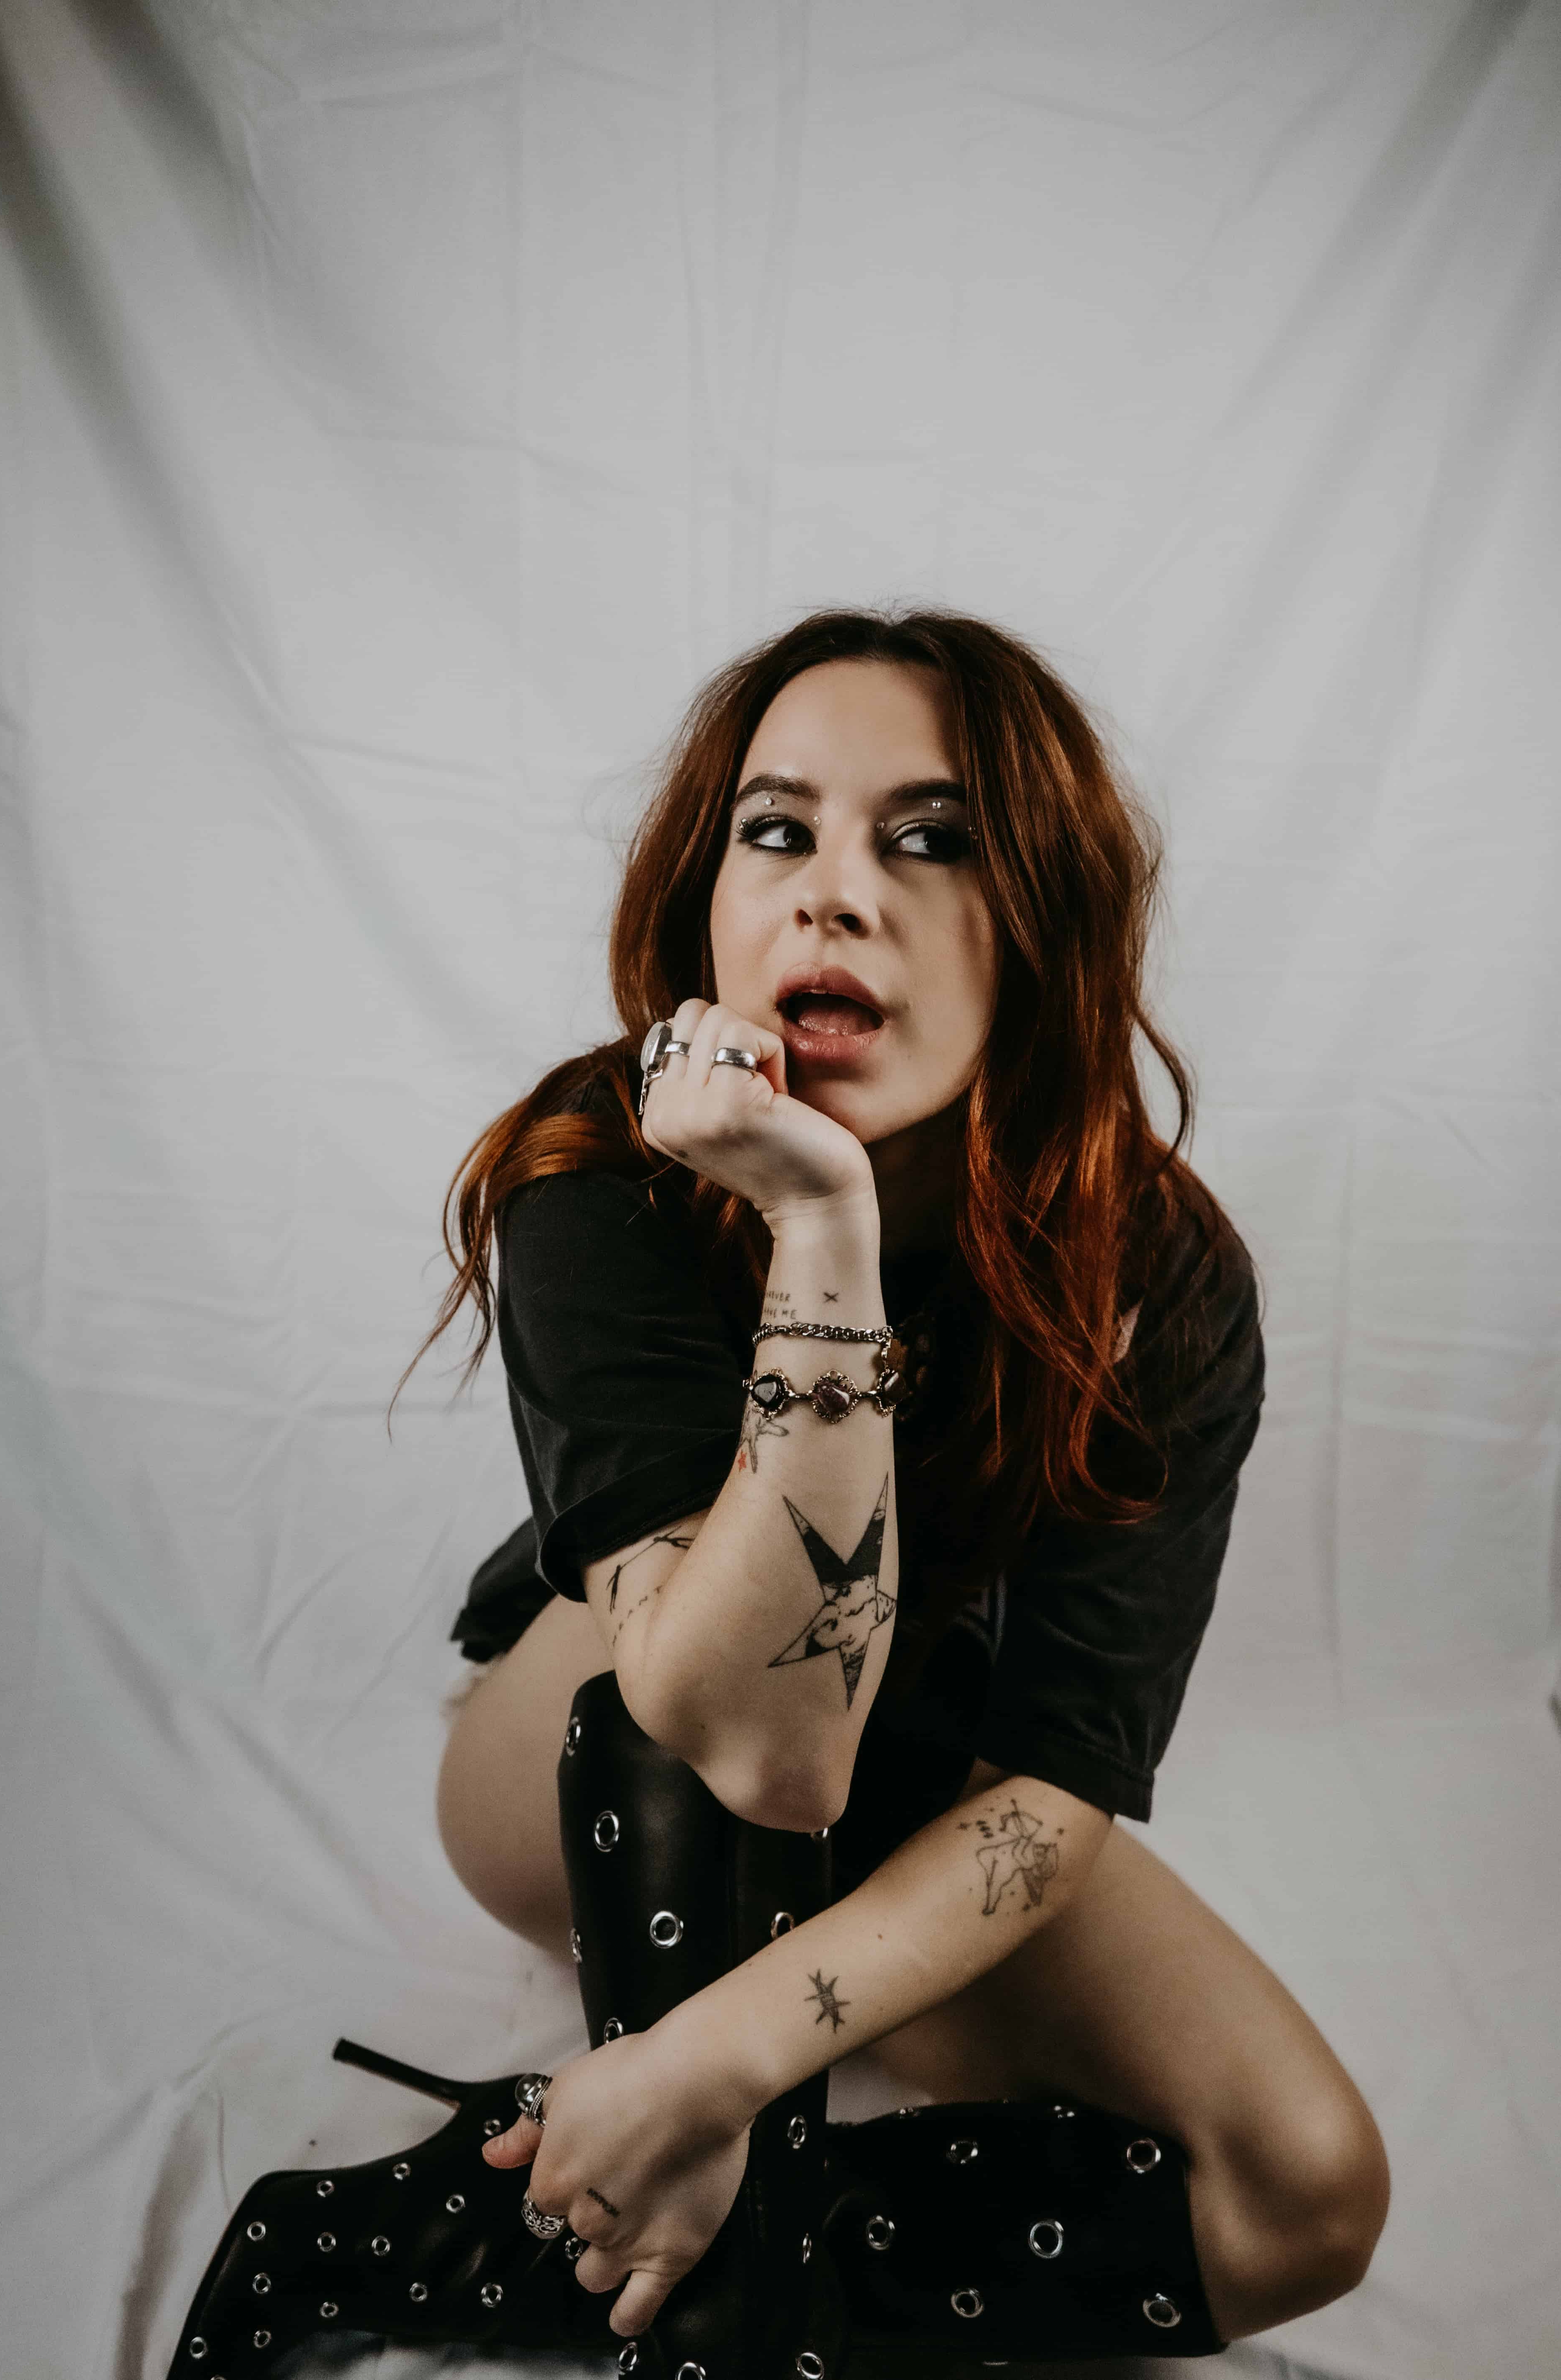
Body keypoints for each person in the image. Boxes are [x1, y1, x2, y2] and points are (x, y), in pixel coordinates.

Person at [430, 609, 1390, 2354]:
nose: (836, 894)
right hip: (597, 1737)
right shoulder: (599, 1166)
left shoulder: (1162, 1277)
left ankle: (562, 2227)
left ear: (1042, 918)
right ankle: (715, 2315)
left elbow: (1055, 1782)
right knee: (708, 1702)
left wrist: (713, 2065)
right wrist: (816, 1219)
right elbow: (749, 1739)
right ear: (706, 904)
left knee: (1299, 2190)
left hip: (916, 1758)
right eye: (776, 830)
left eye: (931, 839)